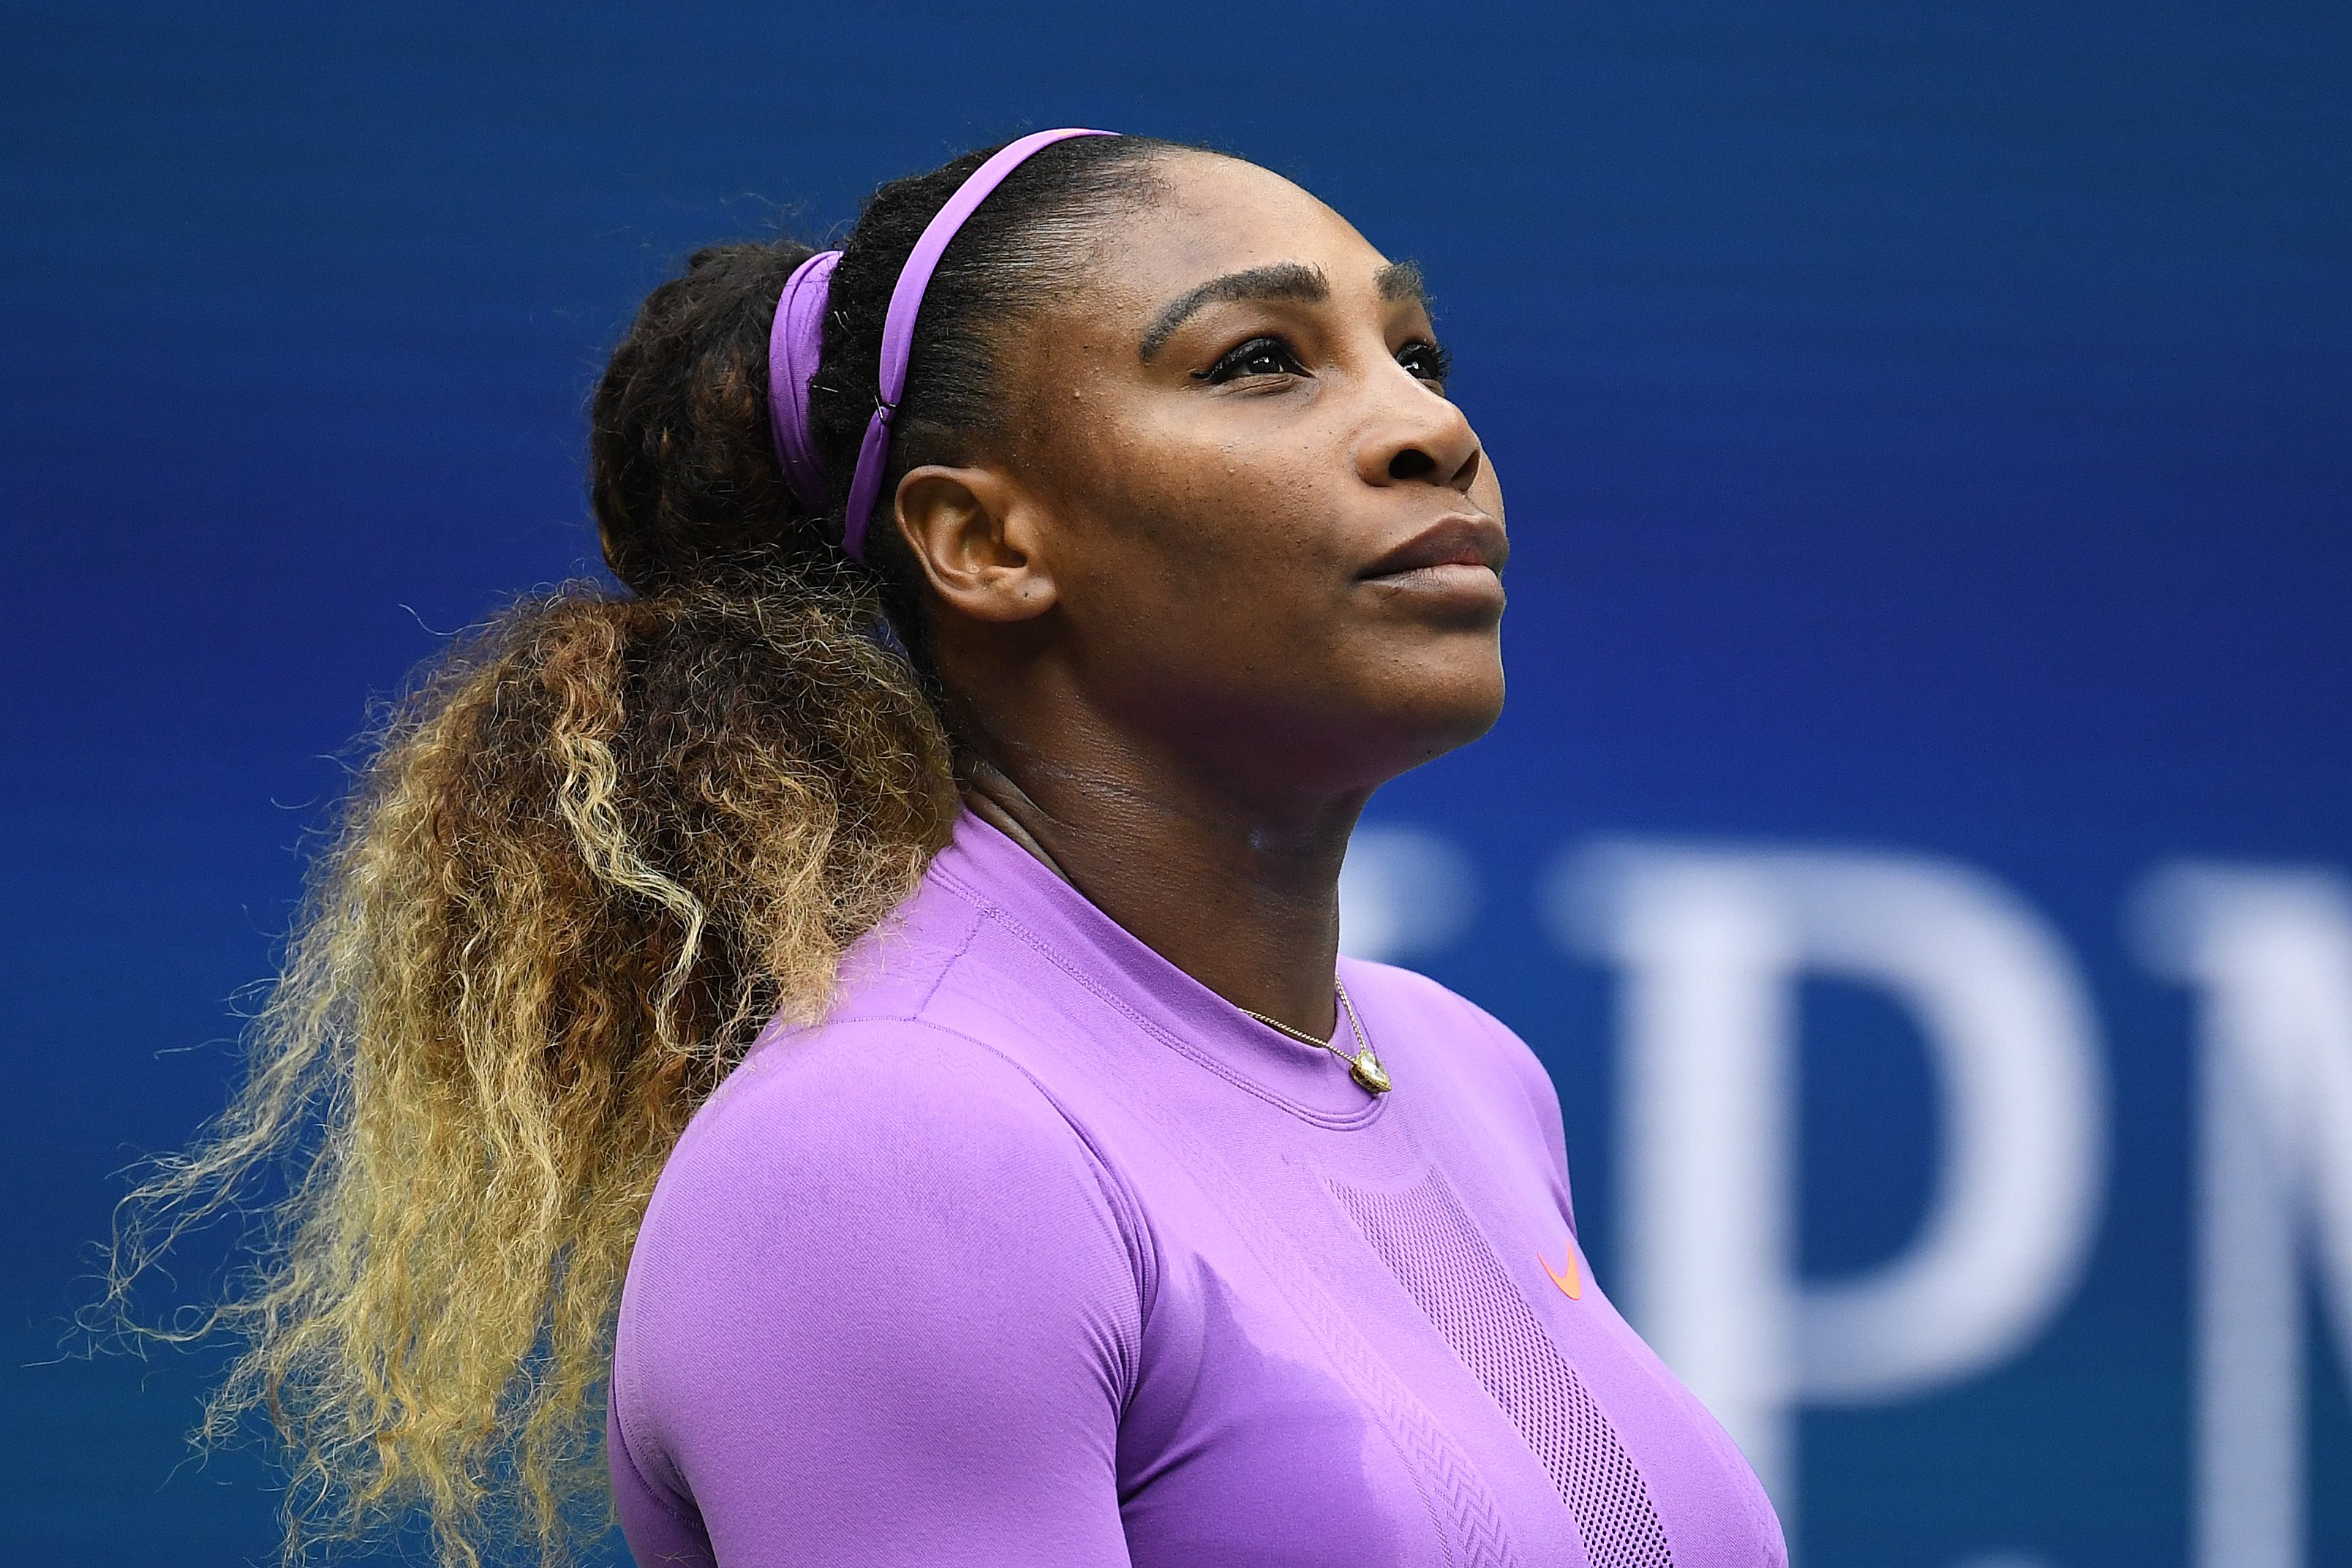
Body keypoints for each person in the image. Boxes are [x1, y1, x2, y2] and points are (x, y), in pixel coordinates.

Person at [114, 130, 1786, 1568]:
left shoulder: (1462, 1066)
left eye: (1417, 351)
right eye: (1260, 360)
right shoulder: (899, 1143)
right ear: (982, 541)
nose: (1430, 428)